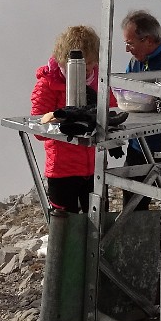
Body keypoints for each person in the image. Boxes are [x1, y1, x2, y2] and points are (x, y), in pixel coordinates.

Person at [30, 26, 117, 214]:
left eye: (92, 62)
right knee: (64, 227)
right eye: (83, 63)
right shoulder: (48, 83)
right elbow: (39, 128)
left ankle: (98, 245)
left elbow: (112, 111)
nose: (87, 69)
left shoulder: (99, 82)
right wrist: (65, 122)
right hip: (62, 170)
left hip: (96, 167)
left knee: (99, 223)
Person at [120, 10, 161, 204]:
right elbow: (125, 95)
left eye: (130, 43)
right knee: (132, 206)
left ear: (148, 40)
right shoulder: (135, 63)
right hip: (137, 146)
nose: (127, 50)